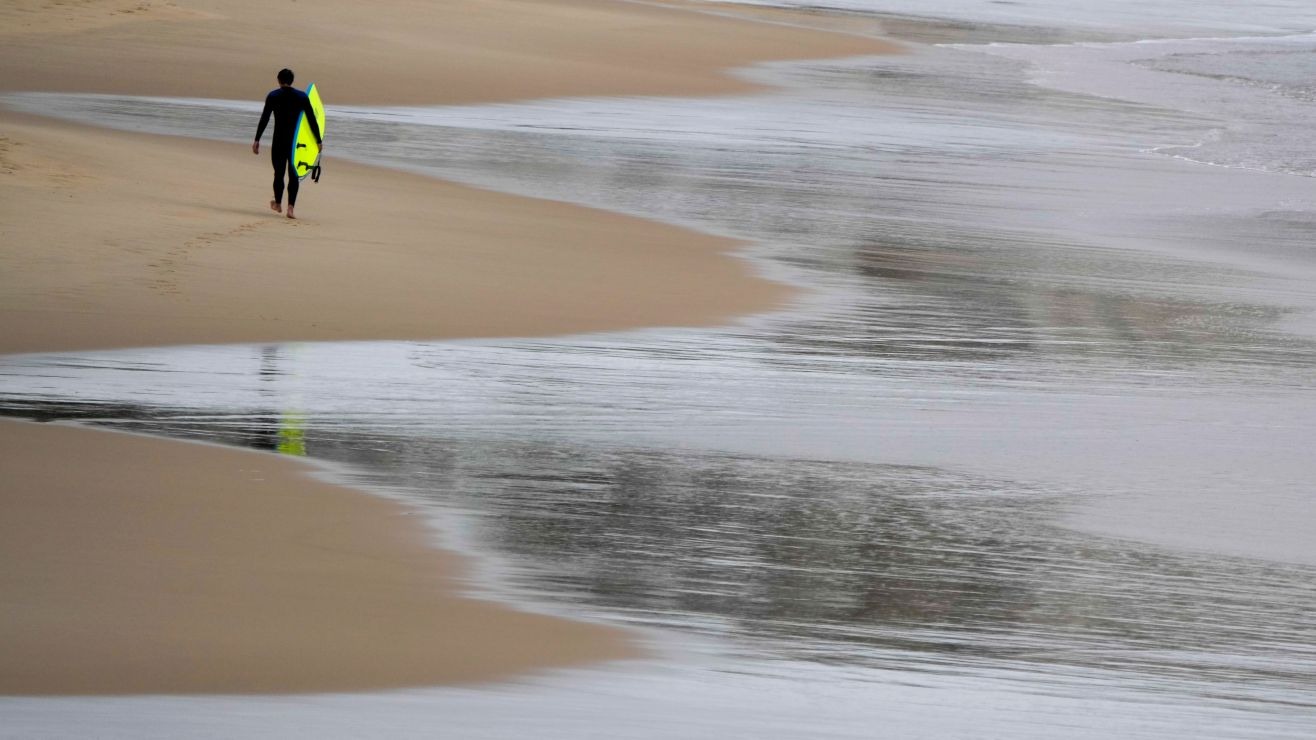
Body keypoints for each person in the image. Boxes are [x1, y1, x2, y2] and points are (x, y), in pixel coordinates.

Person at [252, 68, 322, 219]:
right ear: (292, 81)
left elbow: (264, 118)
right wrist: (318, 140)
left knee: (279, 173)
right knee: (294, 175)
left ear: (278, 80)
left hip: (278, 140)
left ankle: (277, 203)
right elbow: (311, 120)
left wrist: (257, 139)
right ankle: (290, 208)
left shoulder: (273, 96)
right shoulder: (302, 97)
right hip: (295, 144)